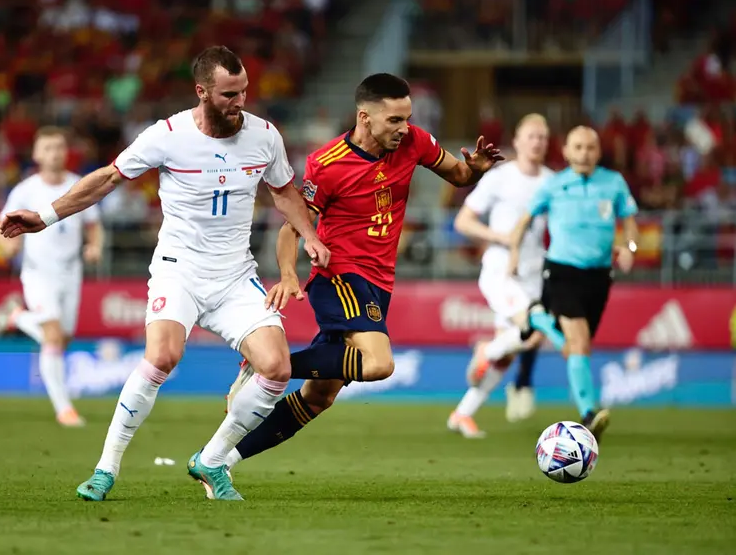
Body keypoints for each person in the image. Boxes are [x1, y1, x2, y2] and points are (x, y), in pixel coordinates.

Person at [0, 46, 330, 501]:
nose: (240, 102)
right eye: (230, 94)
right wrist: (45, 216)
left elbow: (285, 193)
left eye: (245, 91)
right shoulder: (167, 135)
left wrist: (308, 234)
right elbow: (109, 178)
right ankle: (106, 468)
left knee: (276, 368)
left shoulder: (265, 136)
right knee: (161, 358)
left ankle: (211, 461)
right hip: (180, 270)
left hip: (235, 275)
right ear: (203, 91)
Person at [220, 73, 504, 471]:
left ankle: (221, 460)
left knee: (318, 397)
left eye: (407, 118)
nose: (404, 129)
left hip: (378, 283)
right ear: (365, 118)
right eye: (394, 121)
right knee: (379, 364)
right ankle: (273, 364)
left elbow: (459, 176)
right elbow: (292, 226)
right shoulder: (328, 164)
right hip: (339, 277)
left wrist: (477, 169)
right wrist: (287, 274)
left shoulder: (415, 142)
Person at [507, 125, 639, 442]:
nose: (584, 154)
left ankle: (537, 317)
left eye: (590, 147)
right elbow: (524, 220)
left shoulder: (614, 183)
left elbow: (630, 223)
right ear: (565, 151)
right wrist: (514, 253)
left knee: (579, 345)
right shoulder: (554, 185)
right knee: (578, 343)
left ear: (598, 151)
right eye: (577, 147)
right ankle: (588, 413)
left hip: (598, 276)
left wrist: (630, 249)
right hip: (562, 271)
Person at [448, 114, 553, 438]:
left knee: (510, 353)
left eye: (542, 137)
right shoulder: (500, 177)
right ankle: (487, 350)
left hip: (534, 273)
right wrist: (502, 238)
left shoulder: (552, 180)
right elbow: (463, 222)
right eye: (531, 136)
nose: (537, 142)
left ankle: (461, 414)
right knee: (533, 332)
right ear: (518, 141)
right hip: (500, 271)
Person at [0, 126, 103, 428]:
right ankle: (64, 409)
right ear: (36, 154)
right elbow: (1, 224)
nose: (54, 153)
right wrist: (7, 244)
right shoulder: (26, 189)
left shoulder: (77, 185)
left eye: (59, 147)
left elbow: (93, 224)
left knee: (62, 338)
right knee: (53, 337)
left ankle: (19, 318)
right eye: (48, 148)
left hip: (71, 272)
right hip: (38, 272)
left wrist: (94, 245)